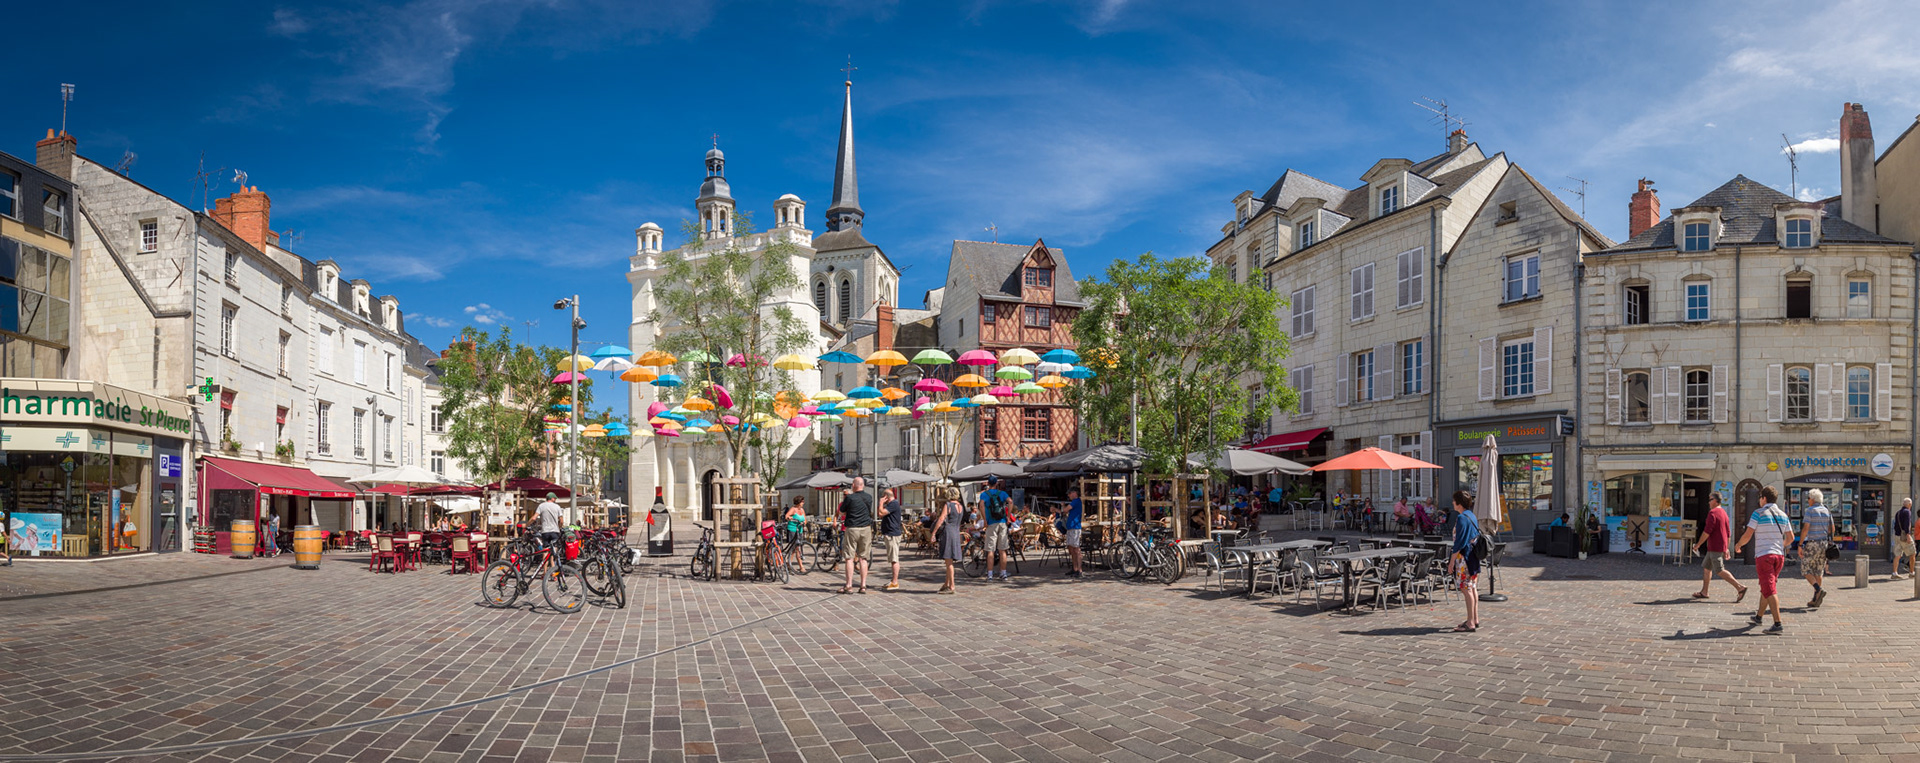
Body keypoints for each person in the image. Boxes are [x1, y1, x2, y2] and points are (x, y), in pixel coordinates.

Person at [1733, 486, 1793, 634]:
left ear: (1763, 498)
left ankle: (1777, 624)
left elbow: (1748, 534)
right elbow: (1790, 538)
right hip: (1779, 556)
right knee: (1767, 585)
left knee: (1770, 589)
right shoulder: (1782, 514)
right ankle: (1759, 617)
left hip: (1764, 555)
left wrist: (1739, 545)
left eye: (1760, 497)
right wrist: (1780, 546)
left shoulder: (1758, 513)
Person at [1690, 493, 1747, 602]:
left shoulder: (1713, 513)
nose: (1709, 502)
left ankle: (1740, 587)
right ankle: (1704, 592)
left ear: (1716, 501)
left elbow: (1707, 532)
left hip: (1715, 547)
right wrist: (1726, 548)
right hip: (1716, 547)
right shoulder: (1724, 513)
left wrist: (1698, 544)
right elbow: (1728, 533)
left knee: (1719, 570)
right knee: (1707, 568)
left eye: (1710, 500)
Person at [1448, 490, 1481, 633]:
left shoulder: (1462, 518)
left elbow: (1459, 543)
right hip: (1473, 557)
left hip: (1464, 558)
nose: (1452, 503)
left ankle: (1470, 623)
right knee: (1472, 587)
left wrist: (1451, 562)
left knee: (1465, 588)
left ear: (1459, 503)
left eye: (1454, 501)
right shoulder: (1472, 516)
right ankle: (1474, 618)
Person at [838, 477, 876, 594]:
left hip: (852, 528)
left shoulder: (849, 497)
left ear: (854, 485)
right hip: (866, 528)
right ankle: (863, 585)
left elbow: (842, 512)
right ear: (863, 485)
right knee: (863, 558)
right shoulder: (869, 497)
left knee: (849, 557)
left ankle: (849, 585)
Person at [1799, 487, 1834, 609]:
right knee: (1819, 571)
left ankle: (1818, 590)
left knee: (1805, 569)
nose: (1808, 500)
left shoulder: (1810, 510)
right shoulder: (1827, 511)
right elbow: (1832, 529)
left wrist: (1800, 544)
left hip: (1812, 543)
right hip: (1824, 544)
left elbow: (1806, 528)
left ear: (1813, 499)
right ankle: (1816, 598)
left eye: (1808, 498)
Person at [979, 476, 1014, 580]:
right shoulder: (1002, 493)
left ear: (988, 484)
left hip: (991, 523)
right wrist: (1008, 517)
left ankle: (990, 575)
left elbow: (981, 505)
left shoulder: (984, 494)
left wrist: (985, 520)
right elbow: (1010, 502)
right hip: (1002, 522)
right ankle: (1003, 573)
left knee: (990, 550)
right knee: (1002, 550)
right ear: (997, 484)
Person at [933, 487, 963, 594]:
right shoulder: (960, 506)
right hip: (956, 532)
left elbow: (941, 518)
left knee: (948, 560)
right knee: (949, 560)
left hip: (948, 532)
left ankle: (952, 586)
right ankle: (946, 584)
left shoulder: (949, 505)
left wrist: (933, 533)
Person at [878, 487, 905, 591]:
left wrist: (880, 503)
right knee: (892, 558)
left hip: (892, 534)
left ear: (886, 497)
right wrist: (881, 505)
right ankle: (893, 580)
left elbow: (881, 511)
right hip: (889, 533)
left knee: (894, 559)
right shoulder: (890, 505)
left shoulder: (893, 504)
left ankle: (895, 582)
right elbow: (880, 514)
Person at [1060, 488, 1085, 578]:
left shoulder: (1076, 501)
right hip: (1070, 528)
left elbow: (1066, 510)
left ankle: (1079, 570)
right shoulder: (1074, 502)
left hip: (1075, 528)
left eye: (1070, 493)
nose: (1069, 495)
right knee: (1071, 549)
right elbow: (1064, 512)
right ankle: (1074, 568)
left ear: (1075, 493)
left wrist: (1063, 506)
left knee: (1076, 549)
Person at [1893, 498, 1916, 580]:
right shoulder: (1907, 512)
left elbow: (1895, 525)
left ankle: (1894, 572)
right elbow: (1907, 524)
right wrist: (1908, 535)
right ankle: (1911, 572)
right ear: (1909, 504)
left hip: (1897, 535)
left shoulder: (1898, 513)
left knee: (1897, 554)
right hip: (1904, 536)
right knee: (1912, 553)